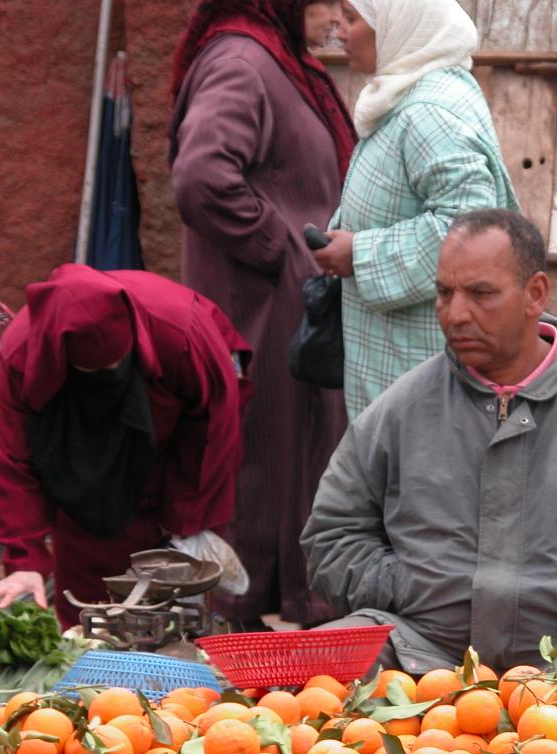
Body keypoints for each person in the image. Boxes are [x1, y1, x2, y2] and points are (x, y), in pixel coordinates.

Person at [302, 210, 557, 673]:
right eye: (445, 293)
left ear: (535, 294)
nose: (456, 314)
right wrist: (405, 588)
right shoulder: (400, 409)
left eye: (481, 293)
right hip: (419, 652)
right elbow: (333, 535)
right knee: (312, 669)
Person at [171, 0, 357, 630]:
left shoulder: (278, 61)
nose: (336, 20)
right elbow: (201, 177)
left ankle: (283, 618)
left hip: (286, 303)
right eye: (326, 3)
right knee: (259, 461)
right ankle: (238, 627)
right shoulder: (242, 62)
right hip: (256, 308)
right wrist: (282, 250)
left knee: (289, 455)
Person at [0, 265, 249, 629]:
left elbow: (213, 432)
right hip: (78, 463)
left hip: (172, 448)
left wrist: (186, 522)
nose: (109, 374)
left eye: (117, 364)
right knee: (91, 612)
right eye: (95, 371)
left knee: (175, 600)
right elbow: (14, 460)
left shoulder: (181, 331)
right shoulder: (23, 352)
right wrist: (24, 561)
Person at [313, 0, 518, 419]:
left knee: (417, 455)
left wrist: (359, 254)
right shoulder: (409, 94)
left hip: (420, 362)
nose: (341, 32)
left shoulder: (428, 114)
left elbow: (469, 231)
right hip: (403, 357)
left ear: (397, 24)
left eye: (352, 18)